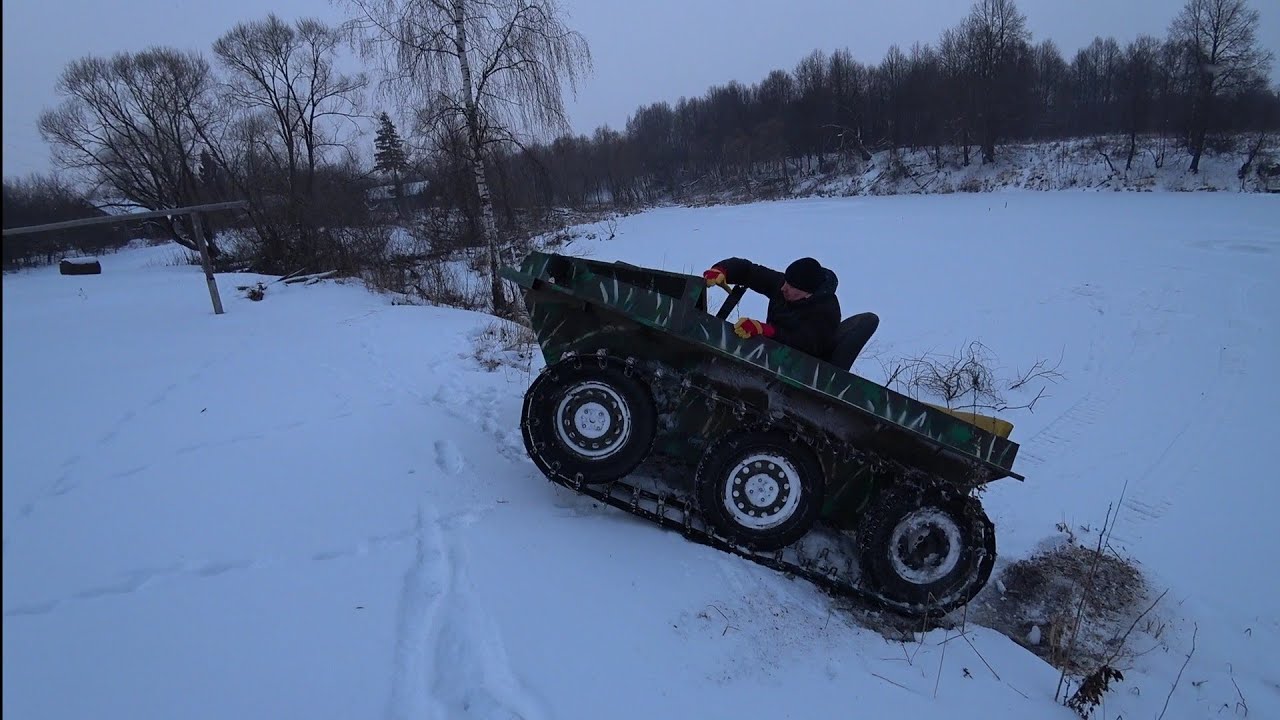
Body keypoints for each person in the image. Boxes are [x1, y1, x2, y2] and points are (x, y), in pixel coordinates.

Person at [702, 256, 842, 360]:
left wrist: (766, 330)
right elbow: (749, 271)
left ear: (808, 294)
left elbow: (804, 344)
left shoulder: (826, 312)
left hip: (799, 371)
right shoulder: (788, 286)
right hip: (770, 353)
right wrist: (722, 270)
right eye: (786, 281)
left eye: (791, 286)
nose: (783, 288)